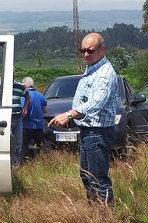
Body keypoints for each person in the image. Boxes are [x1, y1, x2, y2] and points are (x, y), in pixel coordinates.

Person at [48, 32, 120, 203]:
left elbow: (95, 103)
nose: (85, 55)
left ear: (102, 50)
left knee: (97, 179)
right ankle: (94, 213)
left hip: (98, 132)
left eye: (90, 51)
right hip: (89, 131)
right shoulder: (93, 67)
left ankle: (105, 219)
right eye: (82, 51)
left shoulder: (104, 74)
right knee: (87, 176)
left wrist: (69, 115)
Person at [21, 76, 48, 159]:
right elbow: (45, 110)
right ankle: (43, 161)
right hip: (39, 126)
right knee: (41, 146)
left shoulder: (24, 96)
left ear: (25, 86)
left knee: (24, 147)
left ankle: (23, 162)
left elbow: (23, 111)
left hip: (26, 125)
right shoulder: (41, 96)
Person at [10, 80, 28, 166]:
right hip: (7, 118)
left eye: (13, 73)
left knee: (18, 142)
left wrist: (25, 108)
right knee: (9, 142)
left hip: (18, 117)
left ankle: (15, 164)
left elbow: (27, 96)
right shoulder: (2, 85)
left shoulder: (19, 87)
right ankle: (9, 164)